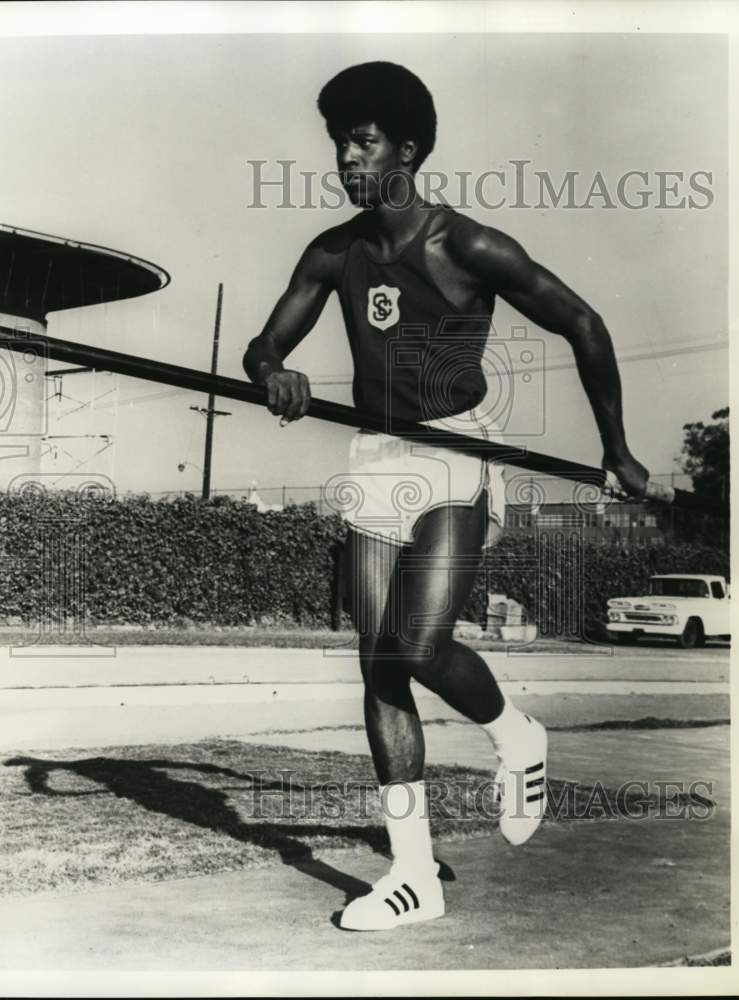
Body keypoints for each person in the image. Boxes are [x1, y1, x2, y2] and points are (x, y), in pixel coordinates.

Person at [243, 61, 649, 931]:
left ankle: (515, 733)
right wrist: (274, 371)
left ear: (408, 150)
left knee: (418, 644)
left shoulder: (467, 246)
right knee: (378, 661)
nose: (347, 157)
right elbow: (264, 345)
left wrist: (615, 449)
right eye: (339, 142)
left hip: (457, 451)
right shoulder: (332, 251)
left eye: (364, 141)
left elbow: (583, 322)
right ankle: (412, 874)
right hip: (375, 458)